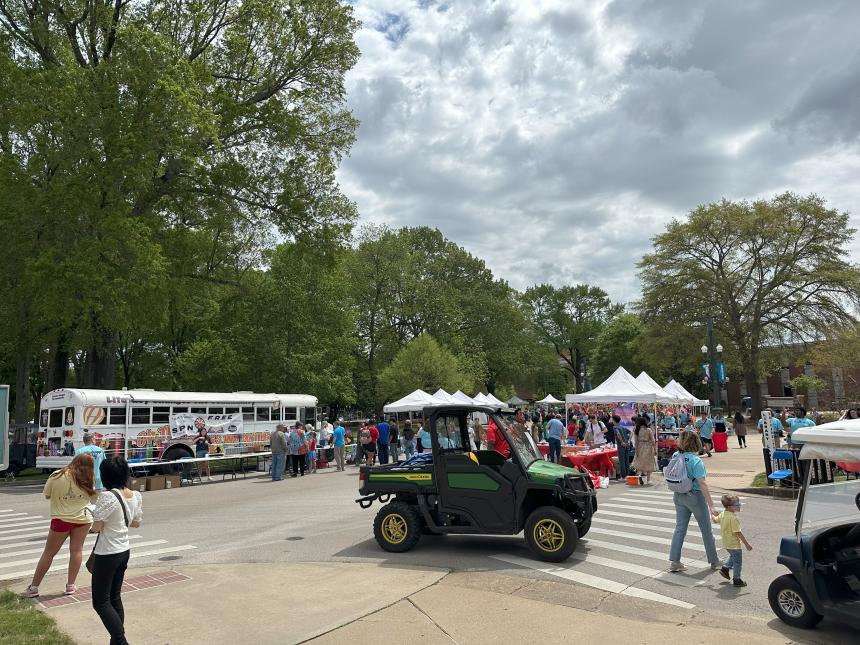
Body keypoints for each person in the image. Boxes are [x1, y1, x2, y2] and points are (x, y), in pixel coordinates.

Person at [23, 453, 95, 598]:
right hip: (83, 519)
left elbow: (47, 495)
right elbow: (91, 497)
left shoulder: (56, 475)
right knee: (76, 551)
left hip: (61, 518)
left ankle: (34, 587)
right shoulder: (88, 478)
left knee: (49, 553)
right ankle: (70, 586)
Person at [90, 457, 142, 645]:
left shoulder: (107, 496)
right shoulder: (135, 495)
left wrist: (93, 514)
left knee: (101, 602)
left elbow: (96, 528)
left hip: (107, 553)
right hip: (124, 550)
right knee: (114, 597)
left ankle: (120, 641)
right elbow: (136, 523)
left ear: (105, 476)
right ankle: (116, 640)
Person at [668, 431, 721, 573]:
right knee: (706, 530)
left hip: (678, 495)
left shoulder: (675, 455)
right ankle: (714, 561)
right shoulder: (695, 460)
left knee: (680, 529)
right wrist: (711, 505)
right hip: (695, 497)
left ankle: (675, 561)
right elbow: (702, 483)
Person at [714, 494, 752, 587]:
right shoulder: (733, 518)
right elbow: (738, 533)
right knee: (737, 562)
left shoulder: (723, 514)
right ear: (730, 507)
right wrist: (747, 544)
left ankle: (725, 569)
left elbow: (715, 520)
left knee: (733, 556)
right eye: (737, 504)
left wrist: (713, 514)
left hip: (727, 543)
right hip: (734, 545)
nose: (739, 505)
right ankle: (737, 579)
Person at [631, 416, 656, 485]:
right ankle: (648, 480)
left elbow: (635, 442)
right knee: (649, 463)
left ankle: (639, 475)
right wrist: (655, 449)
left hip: (640, 447)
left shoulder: (636, 430)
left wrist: (636, 450)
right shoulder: (648, 430)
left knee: (640, 462)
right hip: (648, 447)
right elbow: (653, 440)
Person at [614, 415, 631, 479]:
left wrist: (621, 442)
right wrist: (628, 440)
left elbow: (618, 434)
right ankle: (627, 474)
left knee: (622, 461)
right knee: (626, 460)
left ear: (614, 420)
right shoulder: (623, 427)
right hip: (626, 444)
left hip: (621, 445)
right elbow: (630, 432)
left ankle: (623, 475)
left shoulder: (616, 428)